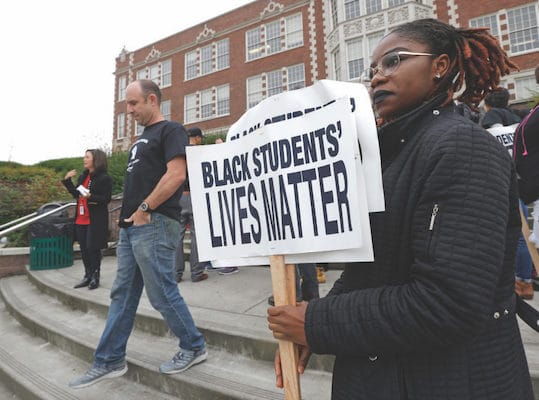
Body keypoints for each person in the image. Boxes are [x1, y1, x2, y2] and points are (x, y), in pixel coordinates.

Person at [267, 19, 534, 399]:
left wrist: (317, 321)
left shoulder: (462, 148)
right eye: (372, 70)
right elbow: (371, 270)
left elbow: (448, 303)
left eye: (393, 61)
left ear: (439, 66)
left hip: (449, 379)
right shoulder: (393, 154)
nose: (377, 77)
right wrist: (315, 323)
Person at [69, 79, 206, 389]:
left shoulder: (171, 130)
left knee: (161, 293)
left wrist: (145, 208)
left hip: (155, 222)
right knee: (122, 294)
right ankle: (109, 360)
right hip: (134, 228)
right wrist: (130, 216)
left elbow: (176, 175)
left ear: (152, 100)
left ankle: (194, 345)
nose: (128, 110)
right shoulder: (140, 140)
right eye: (127, 104)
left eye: (133, 104)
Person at [62, 149, 112, 290]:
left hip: (95, 219)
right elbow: (77, 195)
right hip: (81, 218)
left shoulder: (104, 178)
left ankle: (95, 277)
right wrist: (67, 181)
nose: (84, 159)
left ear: (96, 160)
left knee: (93, 248)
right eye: (84, 156)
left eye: (87, 157)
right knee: (84, 249)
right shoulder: (84, 176)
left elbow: (106, 199)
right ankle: (87, 276)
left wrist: (91, 197)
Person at [175, 127, 209, 283]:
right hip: (195, 196)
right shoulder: (199, 152)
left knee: (177, 236)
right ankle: (196, 273)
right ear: (196, 138)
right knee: (197, 235)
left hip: (179, 196)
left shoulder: (178, 152)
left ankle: (176, 274)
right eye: (200, 138)